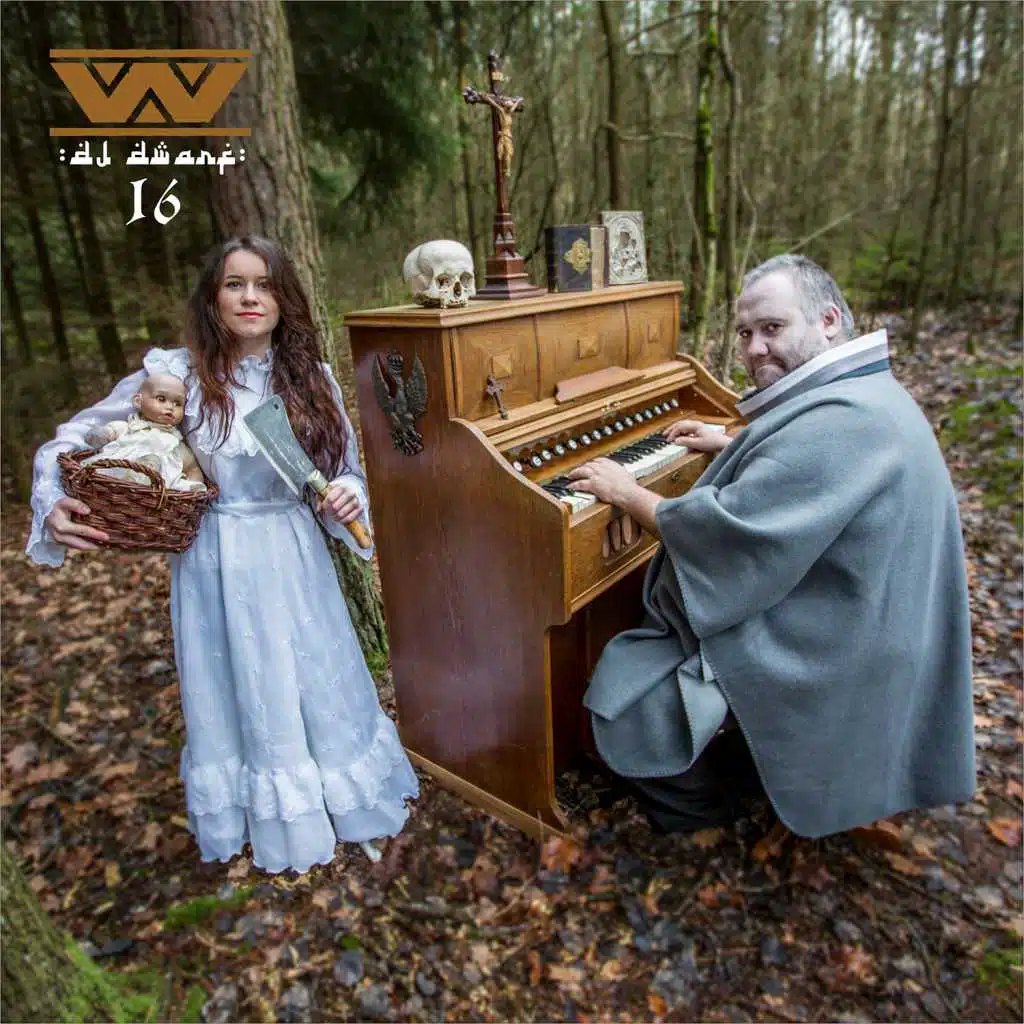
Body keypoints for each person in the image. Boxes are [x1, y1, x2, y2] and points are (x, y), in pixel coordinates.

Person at [27, 235, 419, 873]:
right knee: (238, 682)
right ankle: (264, 818)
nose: (250, 297)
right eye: (235, 284)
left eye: (264, 284)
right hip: (214, 556)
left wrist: (345, 495)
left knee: (313, 672)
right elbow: (73, 438)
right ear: (213, 299)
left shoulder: (309, 378)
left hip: (294, 550)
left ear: (284, 299)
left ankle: (342, 802)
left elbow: (345, 469)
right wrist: (52, 499)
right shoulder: (177, 374)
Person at [566, 254, 975, 838]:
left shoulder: (842, 422)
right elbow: (804, 456)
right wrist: (732, 443)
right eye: (745, 333)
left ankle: (706, 812)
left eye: (773, 328)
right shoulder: (864, 393)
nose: (755, 348)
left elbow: (731, 535)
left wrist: (627, 492)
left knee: (629, 696)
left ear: (828, 321)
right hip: (871, 613)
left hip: (838, 640)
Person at [82, 370, 205, 491]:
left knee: (175, 483)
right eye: (161, 399)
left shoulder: (175, 443)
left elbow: (191, 468)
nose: (170, 407)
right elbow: (112, 431)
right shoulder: (131, 427)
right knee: (105, 468)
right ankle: (135, 475)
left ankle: (152, 477)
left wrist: (195, 482)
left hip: (157, 490)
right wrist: (104, 434)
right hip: (119, 473)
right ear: (138, 401)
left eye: (177, 403)